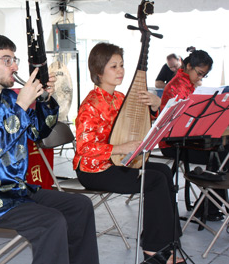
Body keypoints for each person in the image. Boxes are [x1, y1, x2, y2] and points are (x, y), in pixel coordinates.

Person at [0, 33, 99, 264]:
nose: (14, 66)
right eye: (6, 60)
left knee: (80, 206)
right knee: (51, 221)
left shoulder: (9, 100)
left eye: (15, 60)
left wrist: (44, 99)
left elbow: (39, 131)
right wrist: (22, 104)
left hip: (20, 191)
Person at [74, 43, 183, 264]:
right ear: (98, 72)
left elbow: (142, 126)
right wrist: (120, 149)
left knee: (163, 169)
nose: (121, 70)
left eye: (122, 65)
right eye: (113, 66)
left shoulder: (120, 98)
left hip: (118, 163)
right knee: (153, 181)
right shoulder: (90, 105)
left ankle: (168, 241)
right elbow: (84, 149)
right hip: (94, 169)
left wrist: (154, 107)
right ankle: (153, 250)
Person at [160, 49, 227, 221]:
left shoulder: (187, 83)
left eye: (203, 76)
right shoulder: (178, 86)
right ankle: (208, 207)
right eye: (199, 73)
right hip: (174, 143)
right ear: (188, 66)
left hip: (187, 140)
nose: (200, 78)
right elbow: (184, 125)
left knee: (222, 151)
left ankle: (210, 206)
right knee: (221, 153)